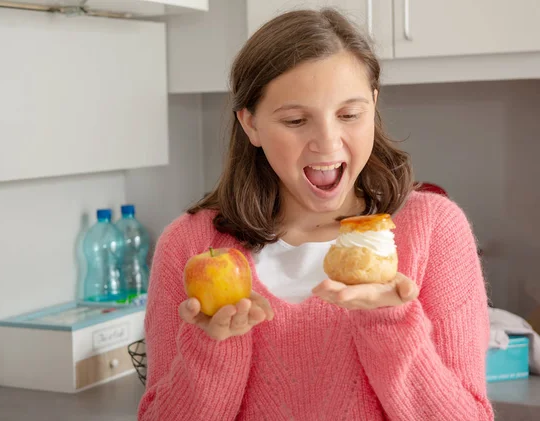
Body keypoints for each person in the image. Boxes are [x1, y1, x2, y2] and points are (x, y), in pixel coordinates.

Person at [137, 8, 493, 421]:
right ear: (251, 125)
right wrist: (213, 348)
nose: (327, 142)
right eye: (295, 120)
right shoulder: (190, 243)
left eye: (349, 115)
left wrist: (390, 325)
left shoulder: (433, 230)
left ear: (373, 108)